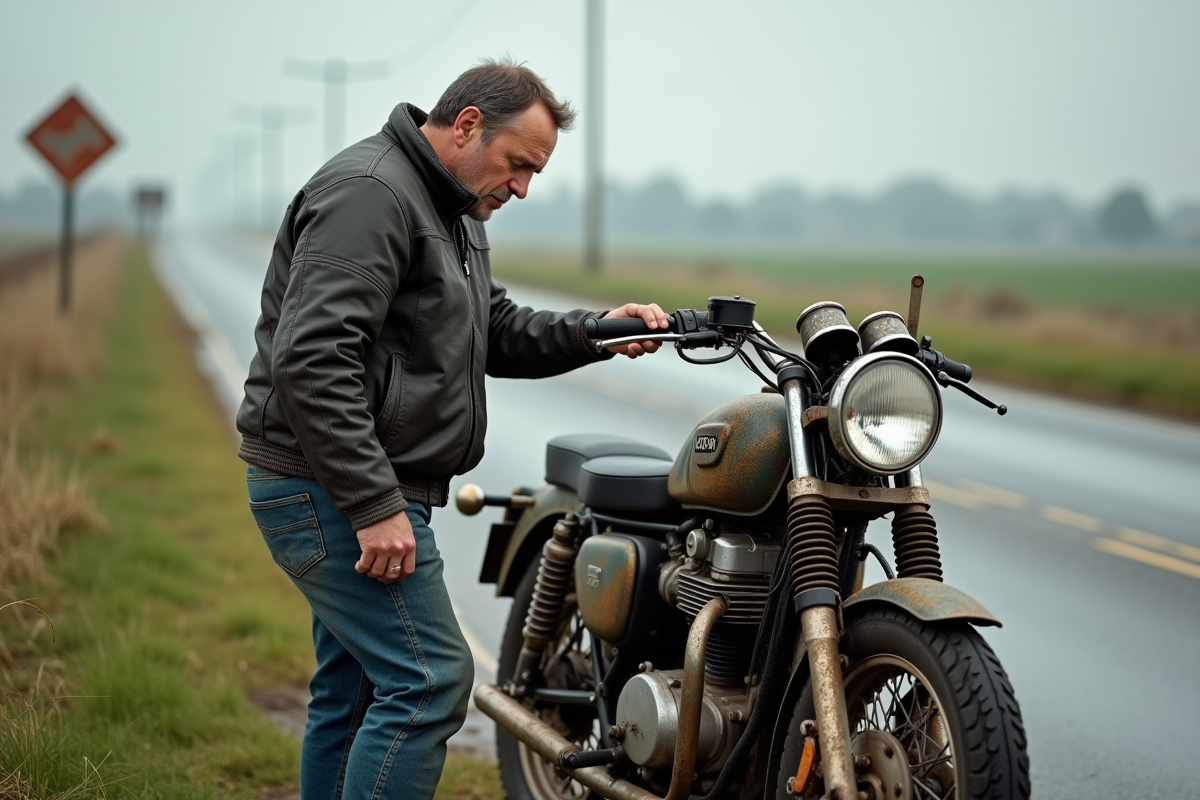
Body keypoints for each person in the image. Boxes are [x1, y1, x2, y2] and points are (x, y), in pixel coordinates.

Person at [236, 58, 668, 799]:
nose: (523, 187)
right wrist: (373, 507)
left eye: (534, 172)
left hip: (354, 482)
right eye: (519, 164)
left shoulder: (449, 206)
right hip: (330, 487)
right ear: (468, 125)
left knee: (358, 691)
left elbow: (490, 329)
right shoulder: (372, 193)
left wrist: (598, 330)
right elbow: (311, 360)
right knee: (430, 679)